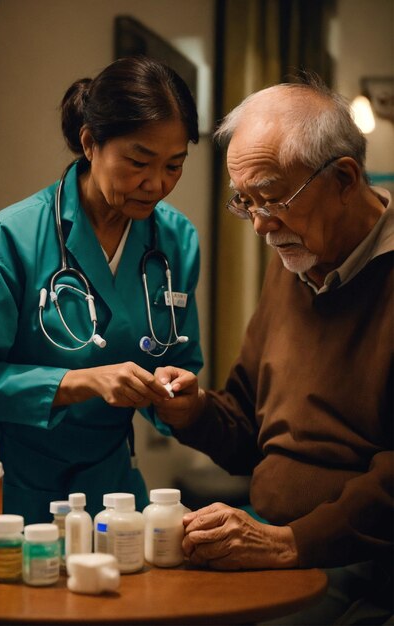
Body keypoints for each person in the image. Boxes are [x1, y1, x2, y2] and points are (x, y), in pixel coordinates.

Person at [154, 77, 393, 623]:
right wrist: (192, 412)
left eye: (274, 198)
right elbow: (249, 427)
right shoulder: (296, 257)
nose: (261, 225)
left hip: (362, 560)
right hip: (278, 541)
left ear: (344, 179)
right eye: (246, 202)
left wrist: (287, 543)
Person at [0, 56, 203, 526]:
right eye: (139, 161)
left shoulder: (176, 243)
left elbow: (180, 363)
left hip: (108, 489)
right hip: (4, 483)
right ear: (90, 144)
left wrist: (179, 399)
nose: (157, 184)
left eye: (174, 165)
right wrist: (81, 382)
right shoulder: (8, 241)